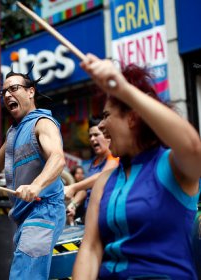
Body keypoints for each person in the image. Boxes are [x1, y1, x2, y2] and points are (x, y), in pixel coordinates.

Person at [72, 54, 201, 279]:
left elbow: (192, 147)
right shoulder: (104, 181)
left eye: (106, 116)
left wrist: (123, 89)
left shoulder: (172, 166)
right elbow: (91, 249)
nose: (101, 126)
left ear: (132, 118)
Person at [0, 70, 66, 279]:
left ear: (31, 92)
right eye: (3, 92)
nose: (7, 95)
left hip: (44, 211)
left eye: (14, 89)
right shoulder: (13, 133)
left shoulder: (42, 123)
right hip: (24, 216)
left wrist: (36, 186)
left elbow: (58, 158)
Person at [65, 118, 118, 224]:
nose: (93, 139)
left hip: (106, 218)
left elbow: (102, 176)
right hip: (90, 219)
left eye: (96, 134)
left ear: (107, 136)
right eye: (90, 136)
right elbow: (86, 188)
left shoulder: (114, 156)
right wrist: (73, 204)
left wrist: (73, 187)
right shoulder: (94, 161)